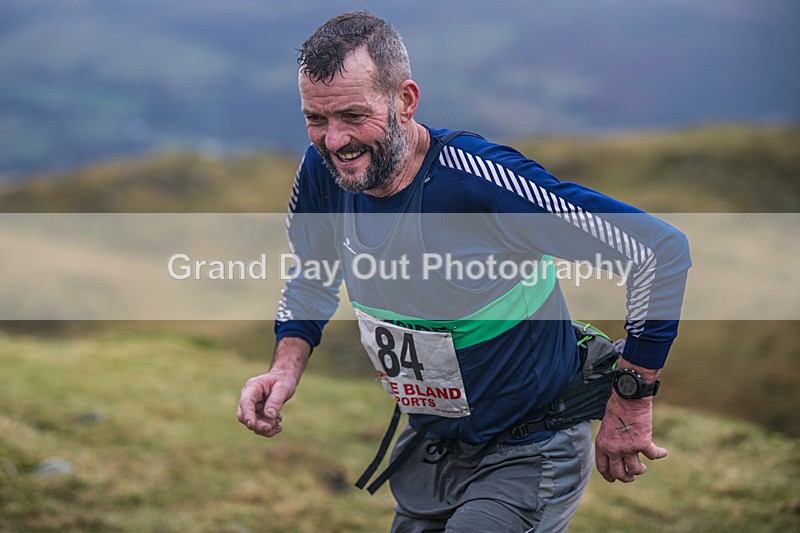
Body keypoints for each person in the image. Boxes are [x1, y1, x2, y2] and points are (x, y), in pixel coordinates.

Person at [237, 11, 691, 532]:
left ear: (405, 101)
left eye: (352, 116)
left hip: (528, 448)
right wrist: (284, 368)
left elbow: (657, 251)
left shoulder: (481, 184)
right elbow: (312, 274)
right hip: (430, 449)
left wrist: (632, 399)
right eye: (316, 119)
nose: (334, 141)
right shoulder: (322, 173)